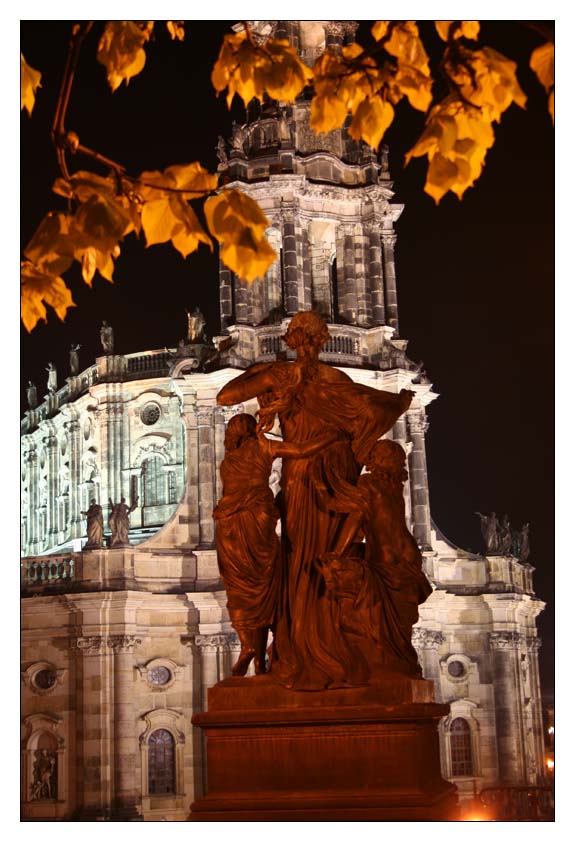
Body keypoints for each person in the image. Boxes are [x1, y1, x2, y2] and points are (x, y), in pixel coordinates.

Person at [217, 310, 413, 690]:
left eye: (301, 337)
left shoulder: (287, 377)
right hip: (320, 477)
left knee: (304, 561)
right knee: (314, 558)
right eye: (305, 338)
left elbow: (227, 395)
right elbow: (378, 412)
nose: (304, 344)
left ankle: (305, 652)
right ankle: (316, 651)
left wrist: (259, 371)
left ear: (293, 341)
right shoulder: (332, 379)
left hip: (310, 476)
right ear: (322, 340)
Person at [214, 412, 341, 676]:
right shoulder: (262, 445)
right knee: (264, 584)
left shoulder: (227, 462)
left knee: (239, 591)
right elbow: (301, 449)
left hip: (228, 528)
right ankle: (258, 655)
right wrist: (330, 437)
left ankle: (251, 650)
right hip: (256, 520)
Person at [321, 439, 432, 679]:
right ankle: (397, 664)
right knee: (398, 628)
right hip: (409, 558)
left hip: (386, 560)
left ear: (376, 460)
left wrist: (336, 552)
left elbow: (354, 515)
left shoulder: (369, 483)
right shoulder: (393, 488)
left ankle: (376, 667)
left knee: (369, 617)